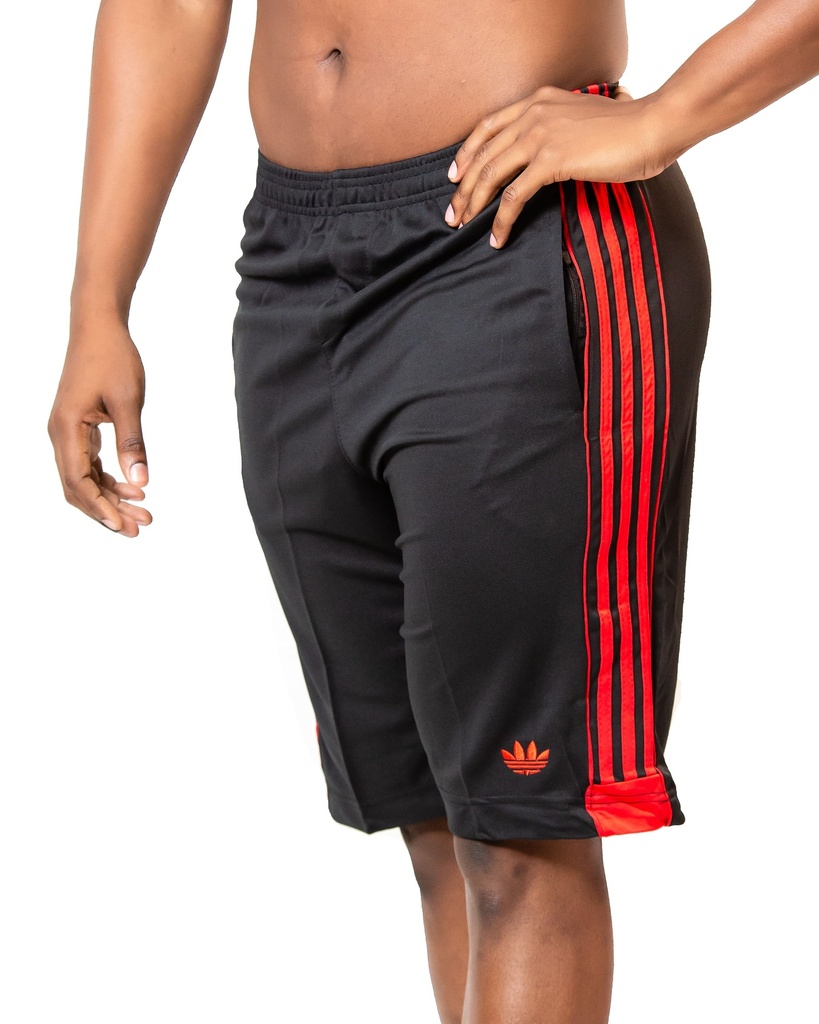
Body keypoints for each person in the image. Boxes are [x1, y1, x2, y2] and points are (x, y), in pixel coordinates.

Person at [46, 2, 819, 1022]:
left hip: (518, 225)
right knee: (441, 827)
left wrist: (666, 116)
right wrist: (99, 300)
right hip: (288, 263)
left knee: (519, 834)